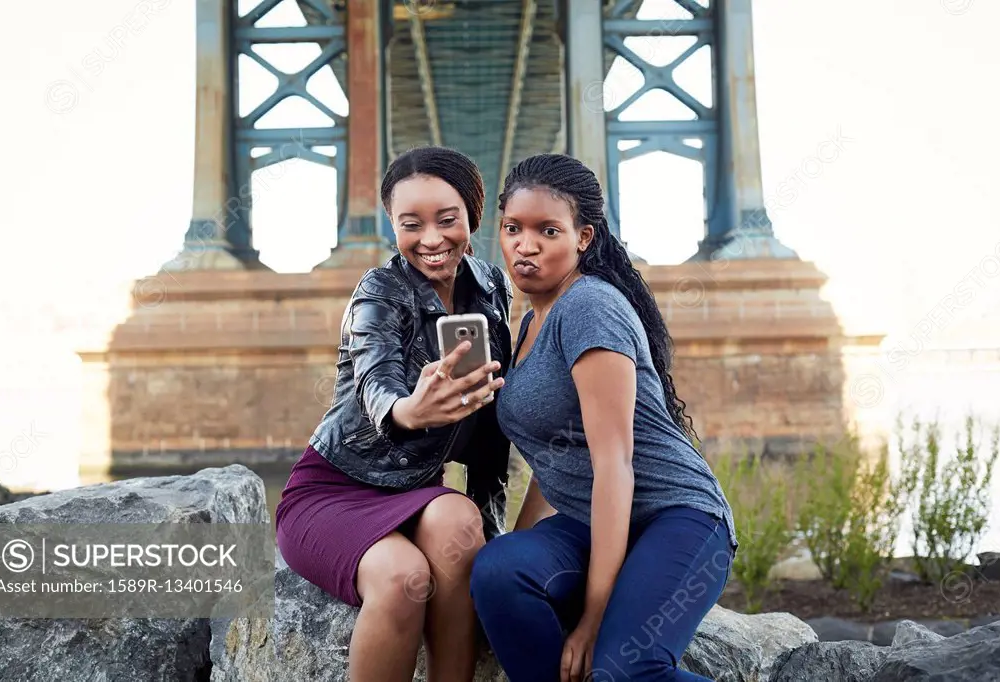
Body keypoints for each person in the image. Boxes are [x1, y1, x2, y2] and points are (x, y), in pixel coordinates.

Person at [469, 153, 738, 682]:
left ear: (583, 238)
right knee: (499, 570)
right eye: (512, 228)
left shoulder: (590, 306)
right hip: (591, 525)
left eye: (548, 230)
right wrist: (520, 546)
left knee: (622, 669)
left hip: (676, 517)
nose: (526, 245)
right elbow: (556, 455)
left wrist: (592, 618)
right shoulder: (527, 324)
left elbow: (612, 463)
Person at [275, 146, 514, 682]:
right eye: (411, 224)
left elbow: (491, 423)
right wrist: (411, 410)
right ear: (393, 226)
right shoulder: (378, 292)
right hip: (334, 489)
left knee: (462, 524)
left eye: (446, 220)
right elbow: (375, 382)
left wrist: (492, 535)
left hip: (413, 490)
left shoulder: (493, 287)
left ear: (472, 216)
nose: (430, 239)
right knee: (404, 576)